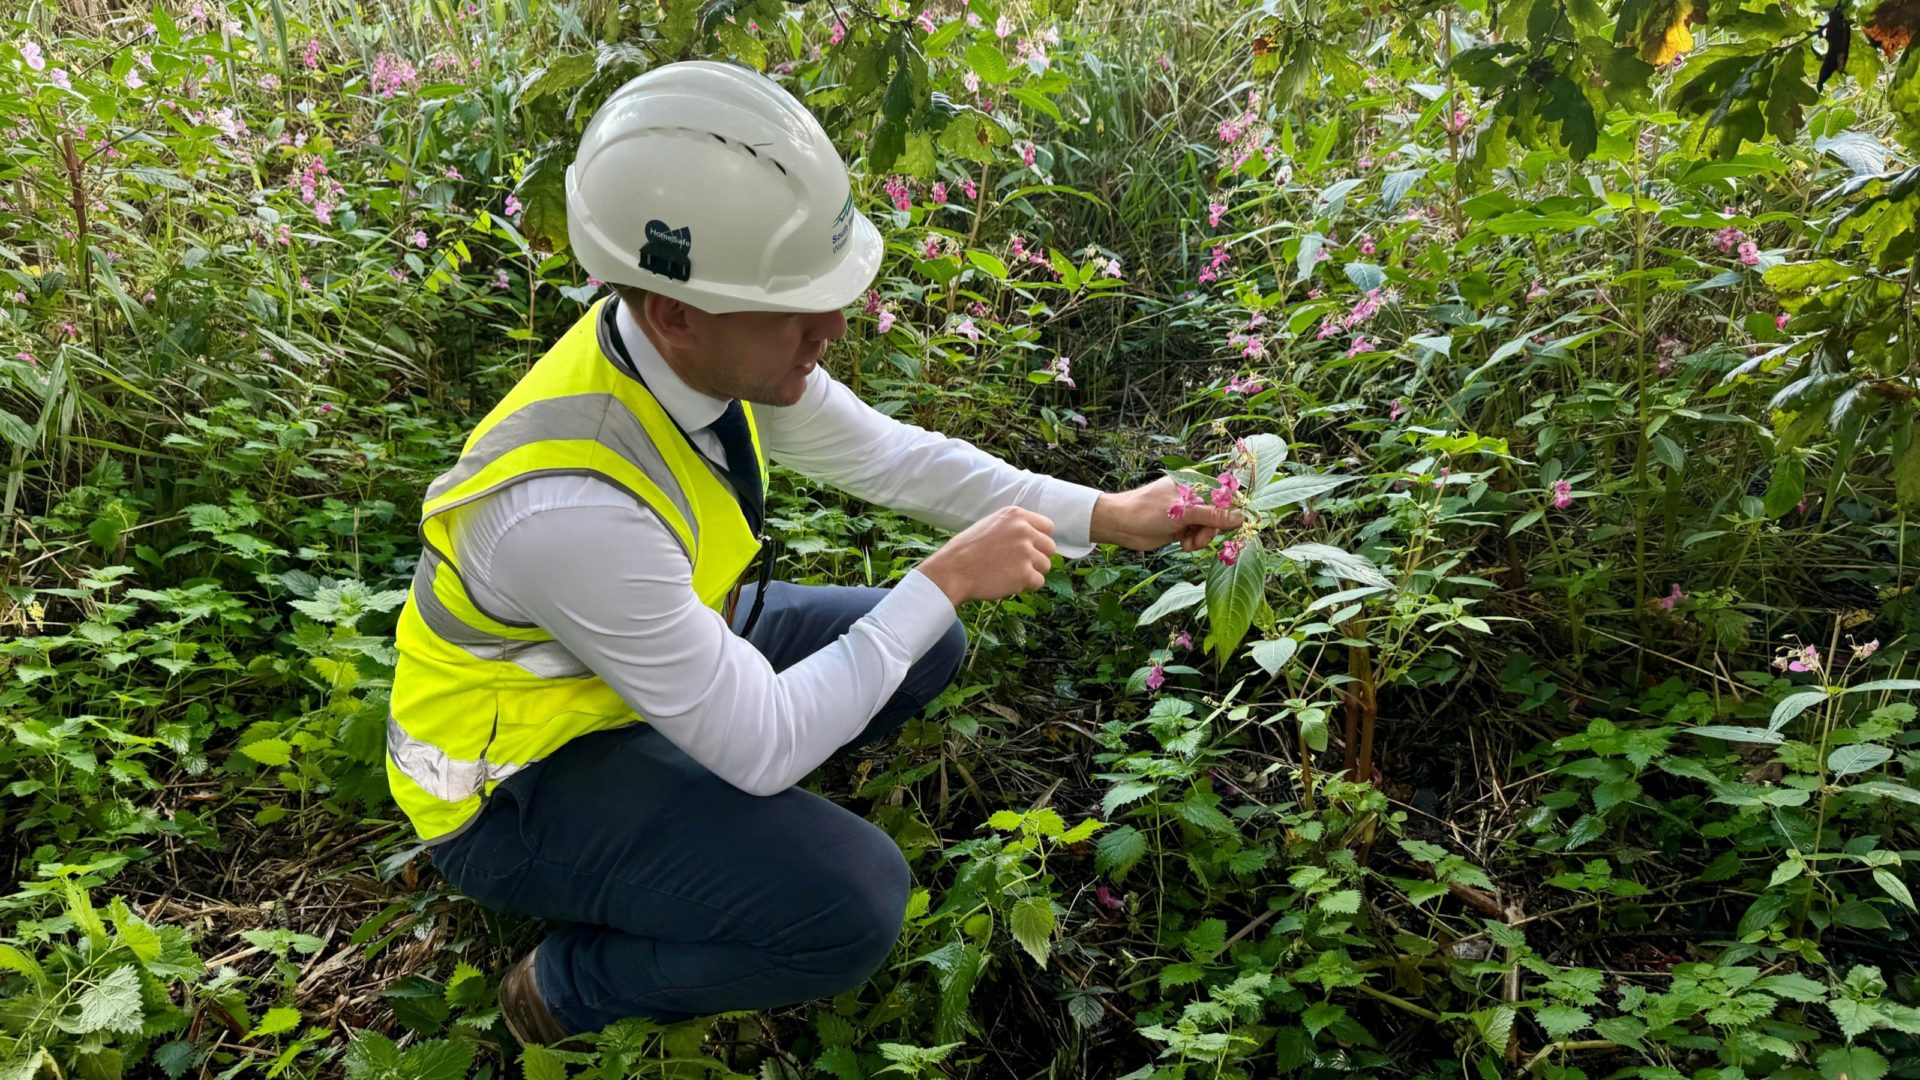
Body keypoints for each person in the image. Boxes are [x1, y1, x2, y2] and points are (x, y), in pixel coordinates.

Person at [384, 60, 1242, 1045]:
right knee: (855, 904)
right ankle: (570, 985)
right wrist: (946, 578)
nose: (832, 331)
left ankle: (702, 839)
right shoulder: (567, 510)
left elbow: (901, 461)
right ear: (676, 311)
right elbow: (762, 749)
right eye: (798, 307)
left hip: (633, 669)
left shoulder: (693, 351)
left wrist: (1113, 514)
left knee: (922, 645)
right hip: (517, 784)